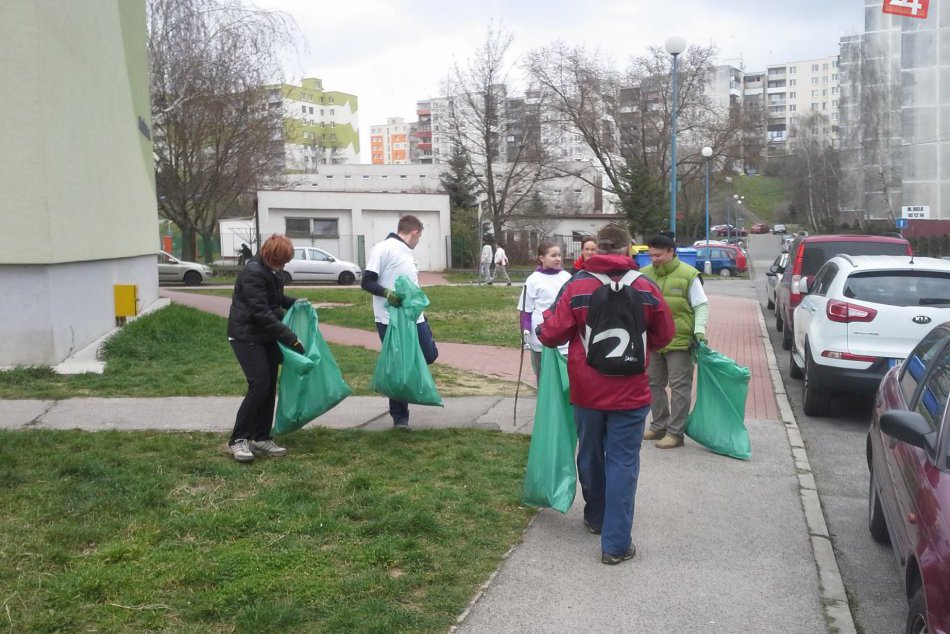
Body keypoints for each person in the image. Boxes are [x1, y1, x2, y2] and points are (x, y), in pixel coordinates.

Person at [538, 224, 674, 565]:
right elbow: (665, 334)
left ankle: (596, 517)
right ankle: (615, 545)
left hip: (587, 390)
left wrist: (541, 327)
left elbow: (551, 334)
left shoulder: (577, 285)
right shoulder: (645, 286)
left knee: (590, 453)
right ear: (628, 250)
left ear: (597, 249)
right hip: (631, 391)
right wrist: (641, 350)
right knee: (623, 461)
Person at [226, 234, 305, 463]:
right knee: (259, 384)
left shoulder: (271, 270)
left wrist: (294, 303)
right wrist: (291, 338)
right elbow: (261, 313)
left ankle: (261, 437)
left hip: (265, 336)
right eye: (281, 261)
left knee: (269, 386)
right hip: (246, 336)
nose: (284, 266)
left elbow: (275, 298)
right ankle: (238, 439)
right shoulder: (252, 273)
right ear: (270, 256)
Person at [361, 215, 439, 429]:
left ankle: (411, 385)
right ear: (415, 232)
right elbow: (367, 281)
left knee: (429, 354)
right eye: (419, 237)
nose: (418, 241)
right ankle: (400, 417)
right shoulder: (383, 249)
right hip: (390, 320)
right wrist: (387, 293)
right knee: (398, 365)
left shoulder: (408, 253)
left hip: (414, 317)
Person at [641, 233, 710, 449]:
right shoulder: (644, 275)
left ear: (671, 252)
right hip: (653, 340)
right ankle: (659, 425)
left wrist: (699, 331)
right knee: (653, 383)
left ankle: (675, 433)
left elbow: (701, 305)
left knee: (679, 386)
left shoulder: (689, 275)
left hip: (680, 340)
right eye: (651, 255)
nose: (655, 259)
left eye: (659, 255)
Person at [518, 241, 572, 380]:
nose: (558, 259)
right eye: (553, 255)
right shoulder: (533, 280)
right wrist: (525, 330)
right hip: (540, 336)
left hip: (564, 334)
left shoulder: (567, 277)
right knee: (543, 376)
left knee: (567, 376)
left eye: (559, 255)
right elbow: (525, 309)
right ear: (542, 258)